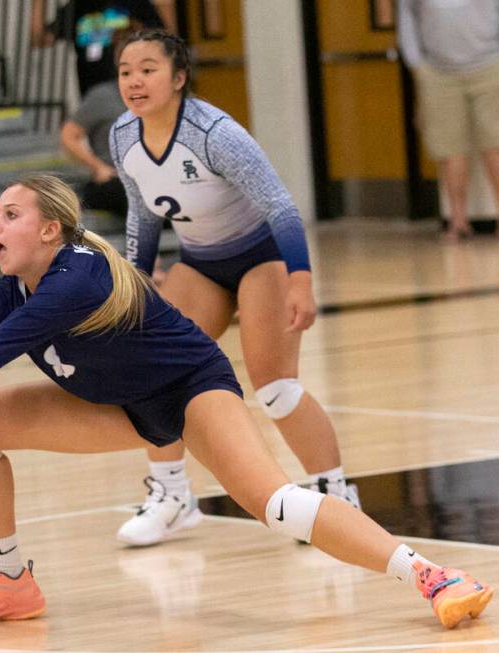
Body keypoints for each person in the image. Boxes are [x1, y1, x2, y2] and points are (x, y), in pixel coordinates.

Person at [0, 173, 494, 630]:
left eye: (10, 215)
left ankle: (431, 575)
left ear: (50, 228)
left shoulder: (77, 276)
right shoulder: (8, 292)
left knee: (274, 503)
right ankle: (10, 581)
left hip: (191, 389)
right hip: (119, 406)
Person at [109, 29, 359, 547]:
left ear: (178, 79)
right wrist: (133, 289)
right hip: (200, 262)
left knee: (274, 387)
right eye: (126, 71)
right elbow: (144, 217)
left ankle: (336, 496)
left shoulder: (214, 133)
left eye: (148, 69)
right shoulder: (122, 136)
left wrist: (300, 281)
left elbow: (280, 206)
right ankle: (174, 498)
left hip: (260, 257)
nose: (135, 81)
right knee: (153, 374)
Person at [398, 0, 499, 242]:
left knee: (496, 143)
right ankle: (458, 222)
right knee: (449, 149)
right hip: (437, 72)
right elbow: (407, 16)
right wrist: (416, 62)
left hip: (490, 66)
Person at [30, 0, 175, 98]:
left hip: (134, 93)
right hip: (93, 95)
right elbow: (40, 39)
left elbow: (164, 39)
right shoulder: (78, 6)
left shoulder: (135, 3)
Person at [60, 80, 129, 217]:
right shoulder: (104, 96)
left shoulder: (166, 96)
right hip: (114, 178)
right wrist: (98, 167)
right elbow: (69, 135)